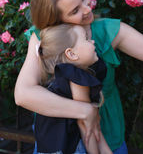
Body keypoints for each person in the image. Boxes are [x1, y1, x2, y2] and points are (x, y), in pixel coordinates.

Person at [14, 0, 143, 153]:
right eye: (75, 11)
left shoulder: (107, 30)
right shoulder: (44, 38)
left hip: (107, 137)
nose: (87, 9)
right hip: (59, 141)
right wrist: (86, 111)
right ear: (57, 20)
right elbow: (23, 94)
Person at [35, 24, 112, 154]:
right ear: (71, 53)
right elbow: (84, 124)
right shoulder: (75, 76)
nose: (92, 41)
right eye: (86, 39)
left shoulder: (65, 76)